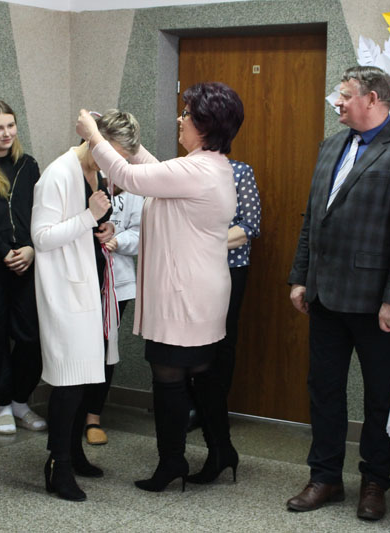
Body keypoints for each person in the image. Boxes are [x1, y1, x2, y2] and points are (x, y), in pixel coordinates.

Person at [76, 81, 244, 493]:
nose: (180, 120)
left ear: (205, 124)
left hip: (183, 291)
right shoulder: (210, 165)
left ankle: (172, 463)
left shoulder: (196, 170)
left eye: (187, 114)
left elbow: (129, 176)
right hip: (199, 288)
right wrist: (125, 144)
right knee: (201, 375)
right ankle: (221, 451)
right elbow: (151, 170)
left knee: (169, 375)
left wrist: (93, 136)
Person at [287, 65, 390, 520]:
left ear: (373, 99)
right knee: (324, 390)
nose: (337, 101)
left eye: (346, 94)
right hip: (325, 295)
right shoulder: (331, 146)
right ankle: (325, 477)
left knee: (380, 396)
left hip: (378, 304)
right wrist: (301, 276)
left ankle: (375, 481)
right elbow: (314, 218)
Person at [32, 109, 139, 501]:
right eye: (115, 155)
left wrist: (103, 225)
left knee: (87, 378)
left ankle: (73, 453)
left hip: (93, 286)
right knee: (68, 380)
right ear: (98, 141)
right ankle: (57, 464)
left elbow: (87, 225)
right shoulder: (58, 174)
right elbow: (42, 237)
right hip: (65, 290)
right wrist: (88, 216)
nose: (117, 165)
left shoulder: (97, 173)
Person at [0, 99, 46, 435]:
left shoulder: (28, 165)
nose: (6, 133)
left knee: (31, 336)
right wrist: (3, 251)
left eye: (10, 126)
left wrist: (31, 248)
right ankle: (2, 405)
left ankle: (20, 401)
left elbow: (42, 211)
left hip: (28, 262)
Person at [185, 158, 260, 484]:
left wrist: (202, 241)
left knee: (221, 346)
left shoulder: (239, 172)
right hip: (190, 270)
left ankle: (215, 423)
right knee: (191, 346)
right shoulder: (183, 170)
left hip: (228, 269)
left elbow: (249, 226)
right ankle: (200, 413)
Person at [83, 184, 143, 446]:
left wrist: (116, 239)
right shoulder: (80, 179)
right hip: (80, 279)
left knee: (106, 348)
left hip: (116, 282)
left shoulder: (132, 188)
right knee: (79, 348)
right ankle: (71, 411)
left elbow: (140, 233)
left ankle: (93, 417)